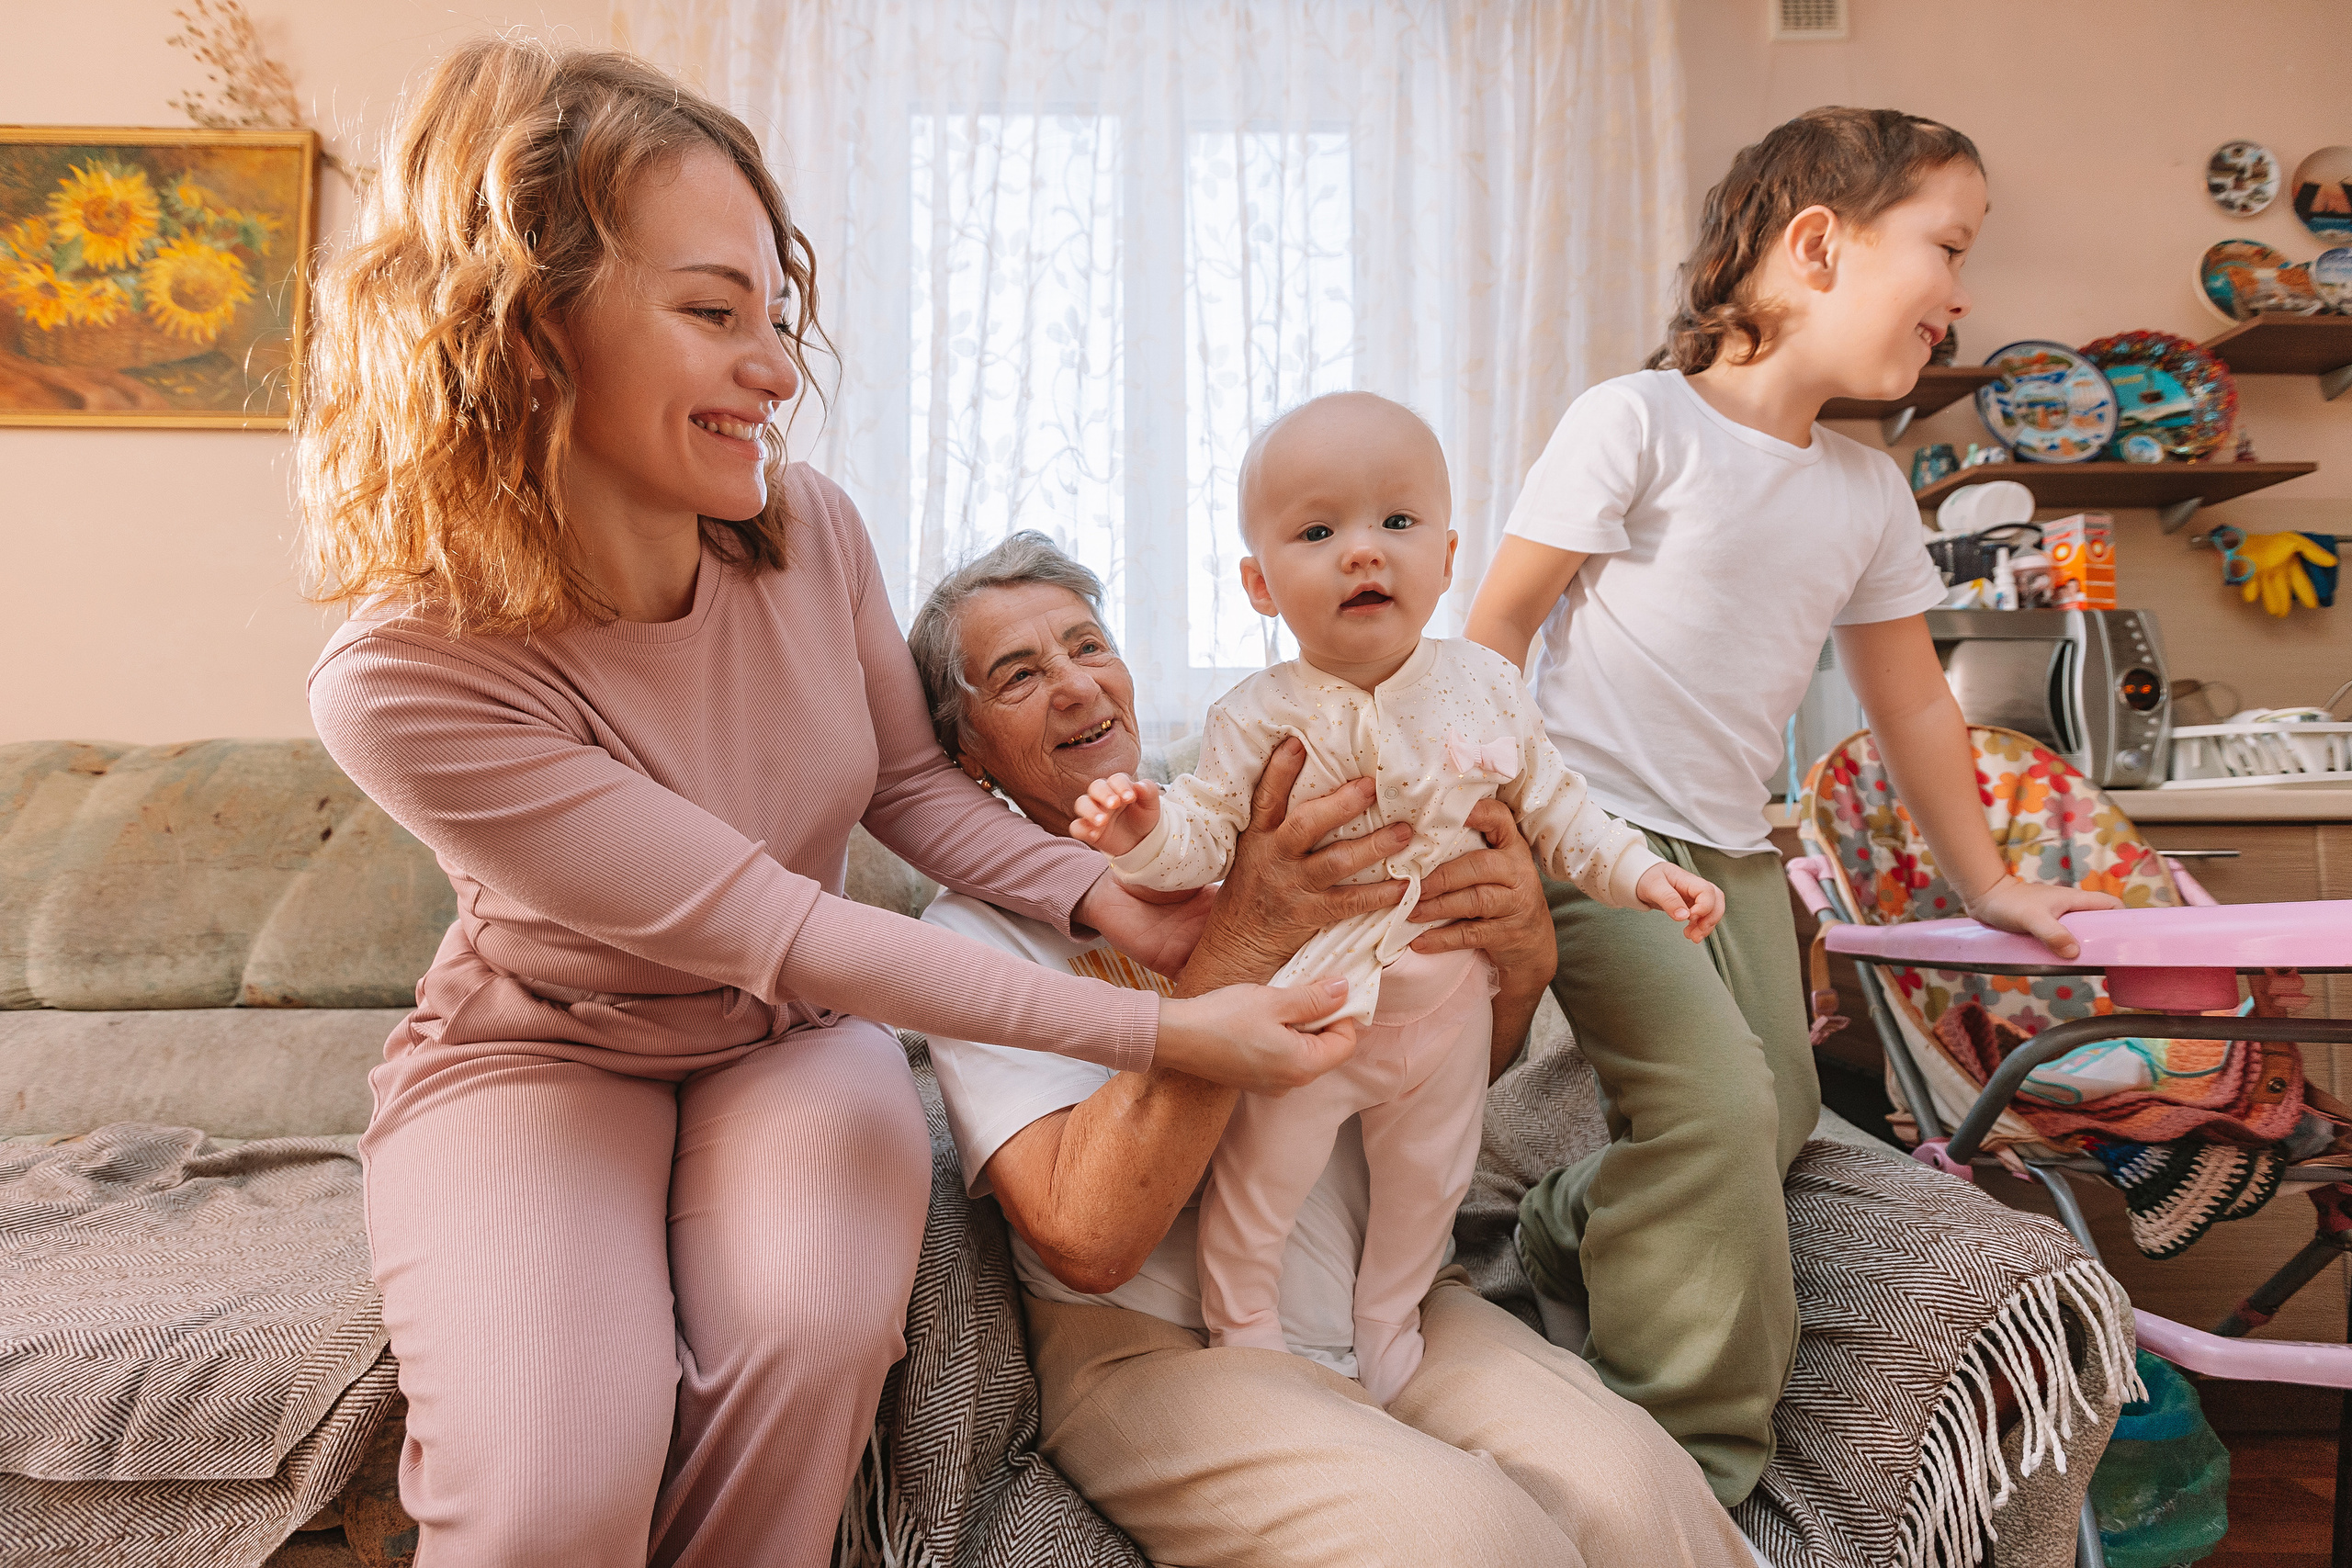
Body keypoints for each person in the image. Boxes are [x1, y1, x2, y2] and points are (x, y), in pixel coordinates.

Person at [295, 41, 1350, 1568]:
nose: (780, 369)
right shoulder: (401, 674)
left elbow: (910, 783)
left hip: (792, 1050)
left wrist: (1101, 898)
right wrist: (1167, 1031)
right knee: (551, 1484)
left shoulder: (813, 533)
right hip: (539, 1056)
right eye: (715, 314)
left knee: (804, 1343)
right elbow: (773, 918)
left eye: (775, 318)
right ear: (525, 331)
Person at [1464, 107, 2120, 1506]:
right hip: (1593, 834)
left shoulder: (1870, 491)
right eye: (1946, 248)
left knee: (1768, 1125)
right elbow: (1497, 631)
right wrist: (1481, 810)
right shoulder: (1634, 423)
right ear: (1818, 247)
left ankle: (1556, 1226)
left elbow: (1914, 706)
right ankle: (1694, 1483)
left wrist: (1991, 883)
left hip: (1738, 855)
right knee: (1713, 1107)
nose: (1962, 295)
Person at [908, 532, 1754, 1568]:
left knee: (1642, 1498)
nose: (1077, 686)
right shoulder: (965, 934)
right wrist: (1246, 938)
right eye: (1019, 674)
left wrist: (1516, 960)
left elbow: (1434, 1072)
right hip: (1159, 1345)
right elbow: (1086, 1236)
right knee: (1464, 1541)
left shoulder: (1245, 802)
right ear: (965, 753)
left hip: (1390, 1297)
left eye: (1089, 646)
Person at [1071, 392, 1723, 1404]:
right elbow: (1198, 840)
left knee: (1429, 1187)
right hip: (1315, 1010)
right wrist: (1137, 832)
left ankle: (1390, 1321)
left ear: (1450, 555)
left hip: (1448, 1010)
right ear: (1258, 583)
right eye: (1319, 531)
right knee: (1259, 1181)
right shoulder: (1253, 716)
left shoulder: (1487, 688)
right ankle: (1245, 1330)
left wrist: (1643, 874)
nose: (1363, 554)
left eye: (1397, 523)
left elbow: (1561, 811)